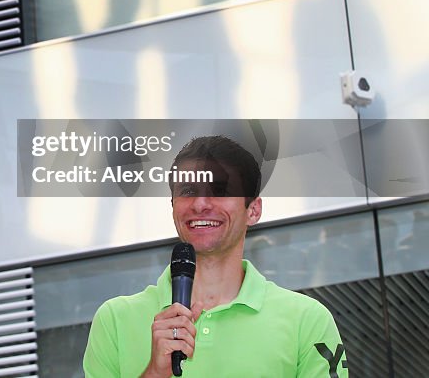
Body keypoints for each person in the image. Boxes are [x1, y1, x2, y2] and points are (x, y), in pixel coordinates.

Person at [82, 135, 349, 377]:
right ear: (173, 207)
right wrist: (153, 373)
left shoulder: (308, 320)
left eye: (220, 191)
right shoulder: (114, 320)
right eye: (188, 191)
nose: (200, 204)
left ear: (253, 210)